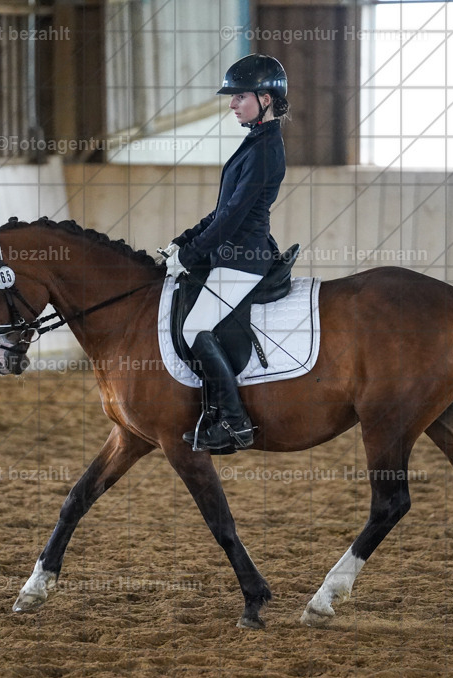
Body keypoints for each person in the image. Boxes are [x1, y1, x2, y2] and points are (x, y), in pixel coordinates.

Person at [161, 54, 290, 451]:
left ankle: (235, 424)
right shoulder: (255, 142)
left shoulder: (266, 149)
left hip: (243, 258)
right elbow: (221, 210)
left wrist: (193, 251)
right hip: (231, 253)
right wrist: (185, 241)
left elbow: (232, 216)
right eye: (232, 97)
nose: (232, 103)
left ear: (265, 98)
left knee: (194, 329)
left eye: (239, 97)